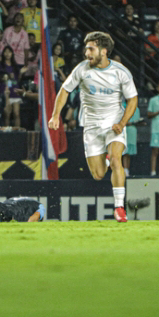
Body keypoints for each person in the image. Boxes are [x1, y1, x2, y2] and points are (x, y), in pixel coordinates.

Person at [48, 32, 138, 223]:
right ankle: (105, 159)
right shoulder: (81, 70)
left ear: (104, 51)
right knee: (98, 175)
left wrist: (122, 123)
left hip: (114, 124)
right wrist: (56, 115)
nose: (86, 52)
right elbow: (64, 91)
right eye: (86, 48)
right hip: (91, 127)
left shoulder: (121, 72)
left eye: (91, 49)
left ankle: (119, 208)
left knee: (116, 160)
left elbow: (133, 100)